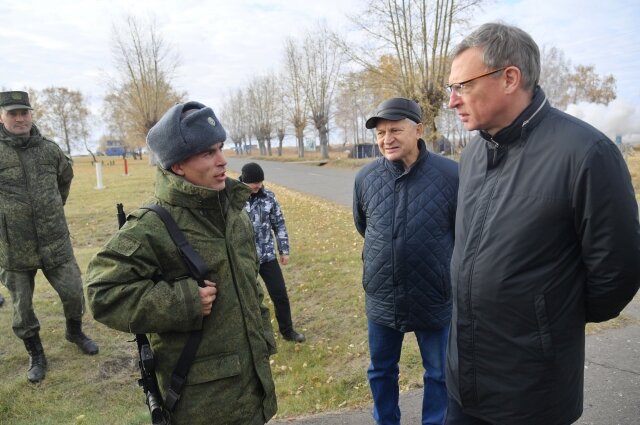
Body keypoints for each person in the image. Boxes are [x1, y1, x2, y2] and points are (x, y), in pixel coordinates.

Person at [445, 22, 640, 425]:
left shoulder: (587, 154)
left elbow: (617, 273)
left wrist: (548, 319)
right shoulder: (472, 155)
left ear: (510, 78)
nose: (452, 101)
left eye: (462, 86)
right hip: (462, 383)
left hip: (531, 392)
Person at [84, 101, 277, 425]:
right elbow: (102, 292)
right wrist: (182, 301)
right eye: (207, 153)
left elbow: (249, 282)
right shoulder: (153, 225)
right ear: (176, 166)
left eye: (220, 148)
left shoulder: (234, 213)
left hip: (252, 388)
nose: (222, 160)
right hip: (202, 405)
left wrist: (264, 337)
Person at [353, 97, 458, 425]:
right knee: (381, 371)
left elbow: (463, 232)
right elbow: (364, 226)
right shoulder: (365, 178)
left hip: (435, 295)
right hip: (382, 295)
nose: (387, 139)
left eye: (395, 130)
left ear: (419, 130)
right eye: (381, 133)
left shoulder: (452, 175)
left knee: (440, 373)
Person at [0, 90, 99, 384]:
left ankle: (74, 331)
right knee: (22, 308)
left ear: (31, 115)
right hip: (13, 247)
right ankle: (36, 353)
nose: (19, 118)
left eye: (24, 113)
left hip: (54, 240)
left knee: (72, 291)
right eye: (12, 114)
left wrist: (52, 209)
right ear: (1, 117)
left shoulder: (49, 150)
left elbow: (64, 180)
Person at [240, 162, 305, 343]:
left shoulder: (269, 197)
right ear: (245, 181)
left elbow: (279, 224)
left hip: (267, 256)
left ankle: (287, 331)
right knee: (249, 299)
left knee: (280, 294)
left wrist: (284, 250)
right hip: (243, 258)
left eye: (260, 182)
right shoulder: (232, 198)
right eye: (255, 183)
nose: (258, 186)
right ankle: (252, 337)